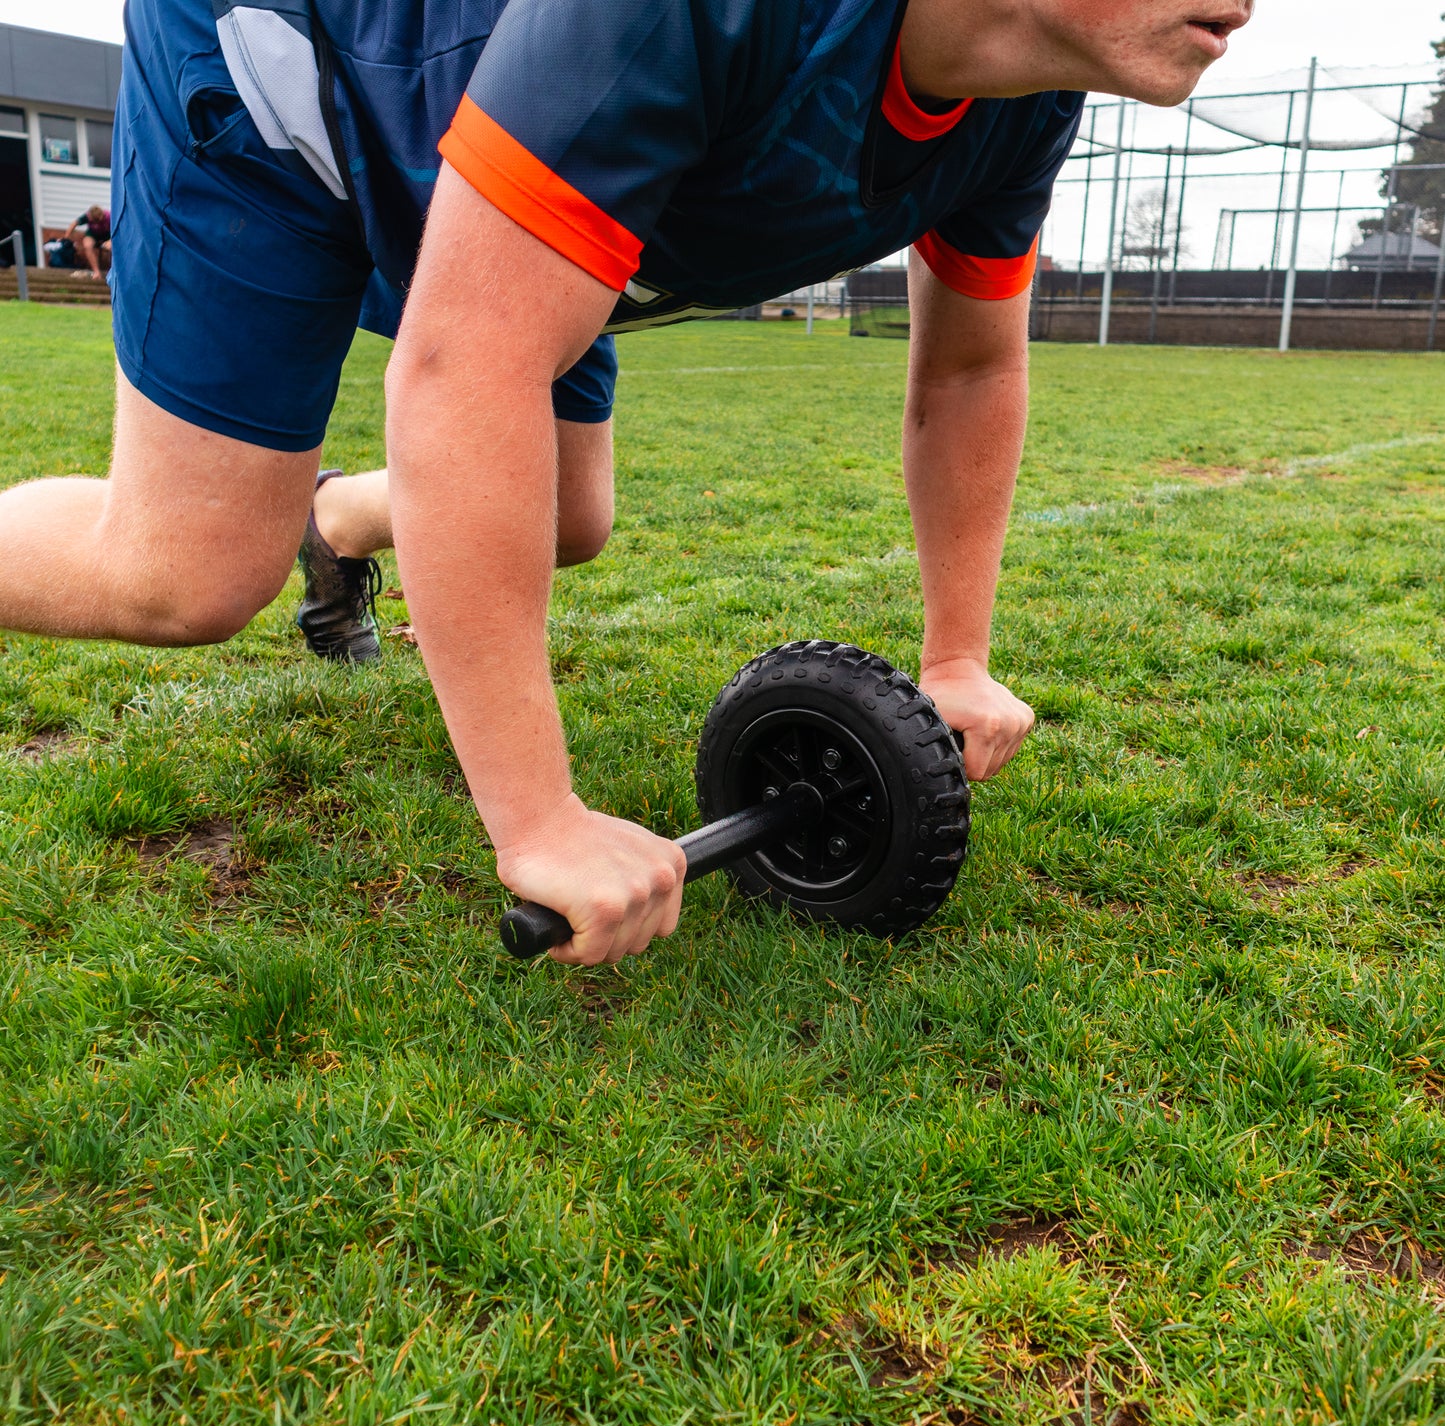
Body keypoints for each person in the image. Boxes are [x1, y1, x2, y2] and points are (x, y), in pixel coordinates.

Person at [0, 0, 1251, 965]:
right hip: (301, 68)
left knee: (568, 518)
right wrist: (538, 820)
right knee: (186, 575)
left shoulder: (1021, 102)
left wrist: (955, 658)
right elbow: (461, 366)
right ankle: (274, 533)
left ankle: (332, 523)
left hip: (521, 165)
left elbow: (970, 367)